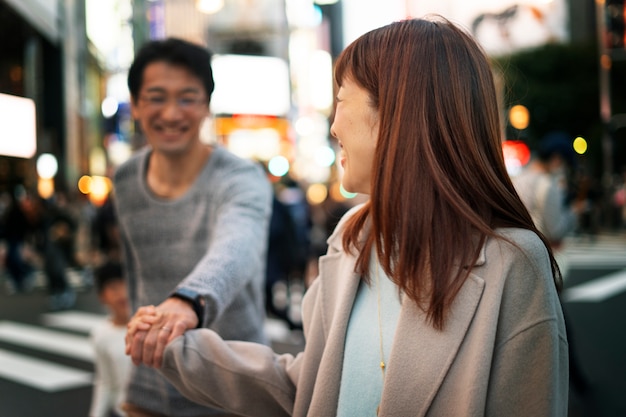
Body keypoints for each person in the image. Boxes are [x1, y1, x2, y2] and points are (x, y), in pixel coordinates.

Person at [129, 17, 569, 416]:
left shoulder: (514, 263)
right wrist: (174, 348)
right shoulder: (351, 241)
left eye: (342, 100)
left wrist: (190, 300)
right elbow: (306, 389)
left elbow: (237, 244)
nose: (334, 125)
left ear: (397, 113)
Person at [114, 37, 272, 416]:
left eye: (187, 98)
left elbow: (238, 246)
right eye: (156, 97)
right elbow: (139, 276)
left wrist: (189, 300)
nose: (171, 113)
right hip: (152, 384)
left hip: (237, 386)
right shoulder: (124, 180)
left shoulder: (241, 178)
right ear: (135, 104)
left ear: (206, 107)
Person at [89, 261, 132, 417]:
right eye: (114, 288)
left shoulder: (150, 324)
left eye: (125, 285)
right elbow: (105, 381)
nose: (122, 293)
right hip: (125, 410)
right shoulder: (100, 334)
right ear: (102, 297)